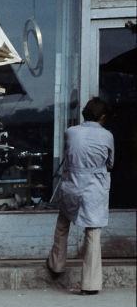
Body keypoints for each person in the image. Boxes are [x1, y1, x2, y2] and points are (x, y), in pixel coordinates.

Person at [46, 97, 114, 295]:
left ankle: (56, 264)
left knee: (63, 223)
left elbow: (68, 155)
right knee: (93, 232)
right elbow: (110, 163)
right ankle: (90, 285)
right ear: (103, 117)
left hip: (72, 185)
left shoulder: (71, 132)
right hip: (94, 188)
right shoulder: (107, 135)